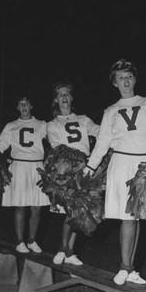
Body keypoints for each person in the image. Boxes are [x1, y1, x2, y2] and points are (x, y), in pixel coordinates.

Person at [84, 59, 146, 285]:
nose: (126, 81)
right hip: (122, 162)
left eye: (129, 76)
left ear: (135, 79)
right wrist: (89, 167)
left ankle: (130, 269)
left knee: (138, 216)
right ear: (114, 82)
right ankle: (125, 267)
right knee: (127, 217)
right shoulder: (110, 110)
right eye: (121, 77)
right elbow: (102, 142)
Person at [47, 82, 100, 265]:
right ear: (56, 99)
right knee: (71, 209)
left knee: (80, 210)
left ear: (71, 97)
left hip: (85, 167)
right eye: (60, 94)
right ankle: (63, 248)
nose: (64, 97)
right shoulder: (53, 124)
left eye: (67, 94)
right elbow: (56, 147)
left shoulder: (84, 119)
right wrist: (71, 163)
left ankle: (69, 251)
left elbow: (99, 131)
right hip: (66, 168)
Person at [0, 95, 51, 253]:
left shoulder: (42, 124)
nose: (24, 106)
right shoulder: (11, 125)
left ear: (31, 106)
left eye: (27, 103)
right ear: (17, 108)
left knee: (37, 207)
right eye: (21, 104)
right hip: (18, 166)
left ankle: (32, 240)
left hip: (37, 167)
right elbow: (1, 145)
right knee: (20, 206)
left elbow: (54, 141)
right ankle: (20, 242)